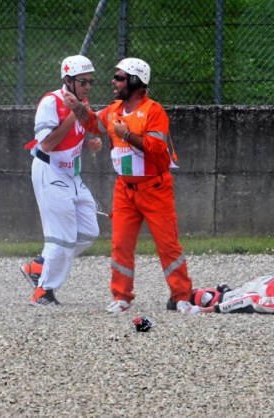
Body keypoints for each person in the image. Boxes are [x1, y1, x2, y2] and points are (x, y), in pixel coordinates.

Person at [63, 57, 195, 314]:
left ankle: (181, 296)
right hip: (124, 190)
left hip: (155, 189)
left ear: (136, 82)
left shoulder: (154, 111)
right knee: (120, 244)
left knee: (168, 246)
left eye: (120, 78)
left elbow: (157, 151)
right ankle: (121, 296)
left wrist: (127, 136)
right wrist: (78, 107)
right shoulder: (113, 110)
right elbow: (93, 124)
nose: (114, 82)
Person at [19, 55, 102, 306]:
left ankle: (39, 265)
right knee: (62, 236)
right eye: (83, 82)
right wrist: (73, 115)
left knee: (89, 230)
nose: (88, 87)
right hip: (50, 171)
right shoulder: (50, 102)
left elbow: (73, 137)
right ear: (68, 81)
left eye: (90, 81)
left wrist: (88, 143)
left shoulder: (81, 102)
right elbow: (46, 144)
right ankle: (43, 291)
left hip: (71, 174)